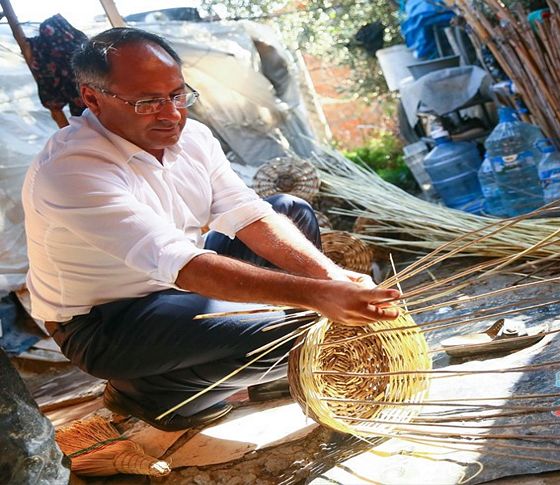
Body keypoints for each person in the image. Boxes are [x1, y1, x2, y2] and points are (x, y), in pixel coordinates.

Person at [21, 27, 400, 432]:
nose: (170, 114)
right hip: (107, 322)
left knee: (290, 210)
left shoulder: (193, 137)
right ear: (92, 98)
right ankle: (151, 392)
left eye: (177, 94)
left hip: (178, 288)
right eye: (147, 102)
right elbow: (183, 263)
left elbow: (248, 214)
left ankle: (265, 369)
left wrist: (330, 277)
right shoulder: (71, 169)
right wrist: (318, 296)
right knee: (297, 331)